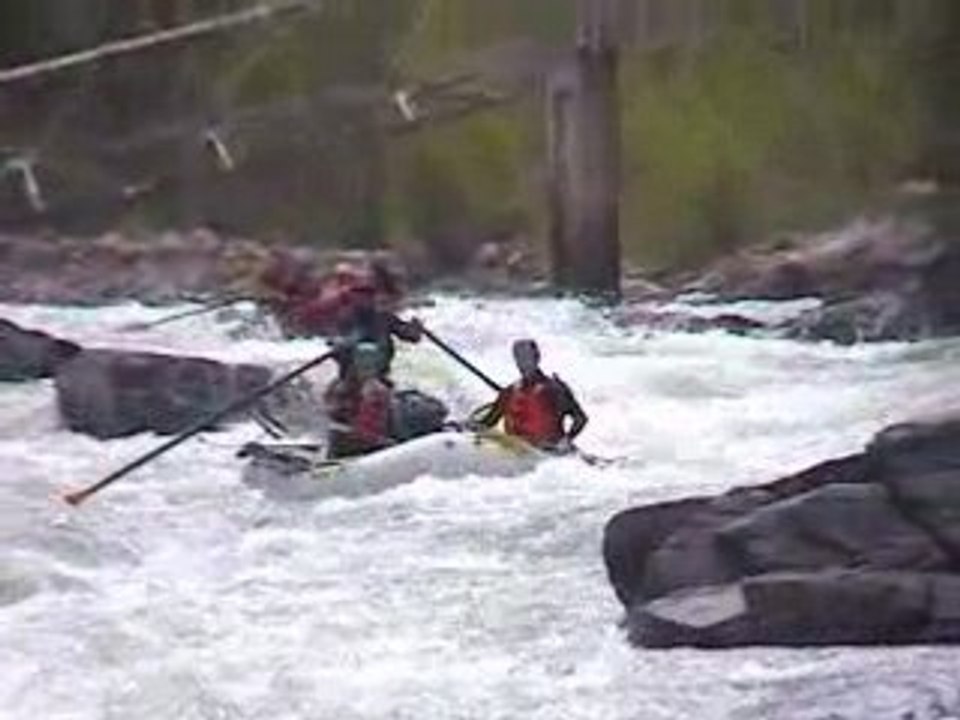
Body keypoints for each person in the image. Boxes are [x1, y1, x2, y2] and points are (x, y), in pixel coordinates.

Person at [473, 339, 588, 452]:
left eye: (528, 357)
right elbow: (487, 423)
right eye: (519, 357)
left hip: (551, 453)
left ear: (537, 358)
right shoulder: (509, 392)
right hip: (519, 451)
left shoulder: (555, 389)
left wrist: (567, 439)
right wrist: (462, 426)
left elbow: (580, 419)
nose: (524, 362)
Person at [331, 277, 423, 380]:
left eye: (367, 296)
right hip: (351, 376)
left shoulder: (386, 318)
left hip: (379, 374)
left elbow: (411, 336)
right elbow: (335, 344)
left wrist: (415, 329)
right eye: (359, 295)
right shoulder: (344, 319)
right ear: (352, 297)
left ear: (372, 298)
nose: (363, 299)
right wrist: (342, 343)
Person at [323, 342, 394, 459]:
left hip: (372, 441)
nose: (365, 371)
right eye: (363, 366)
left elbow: (373, 425)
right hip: (351, 437)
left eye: (369, 367)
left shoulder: (378, 390)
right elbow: (331, 409)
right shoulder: (339, 387)